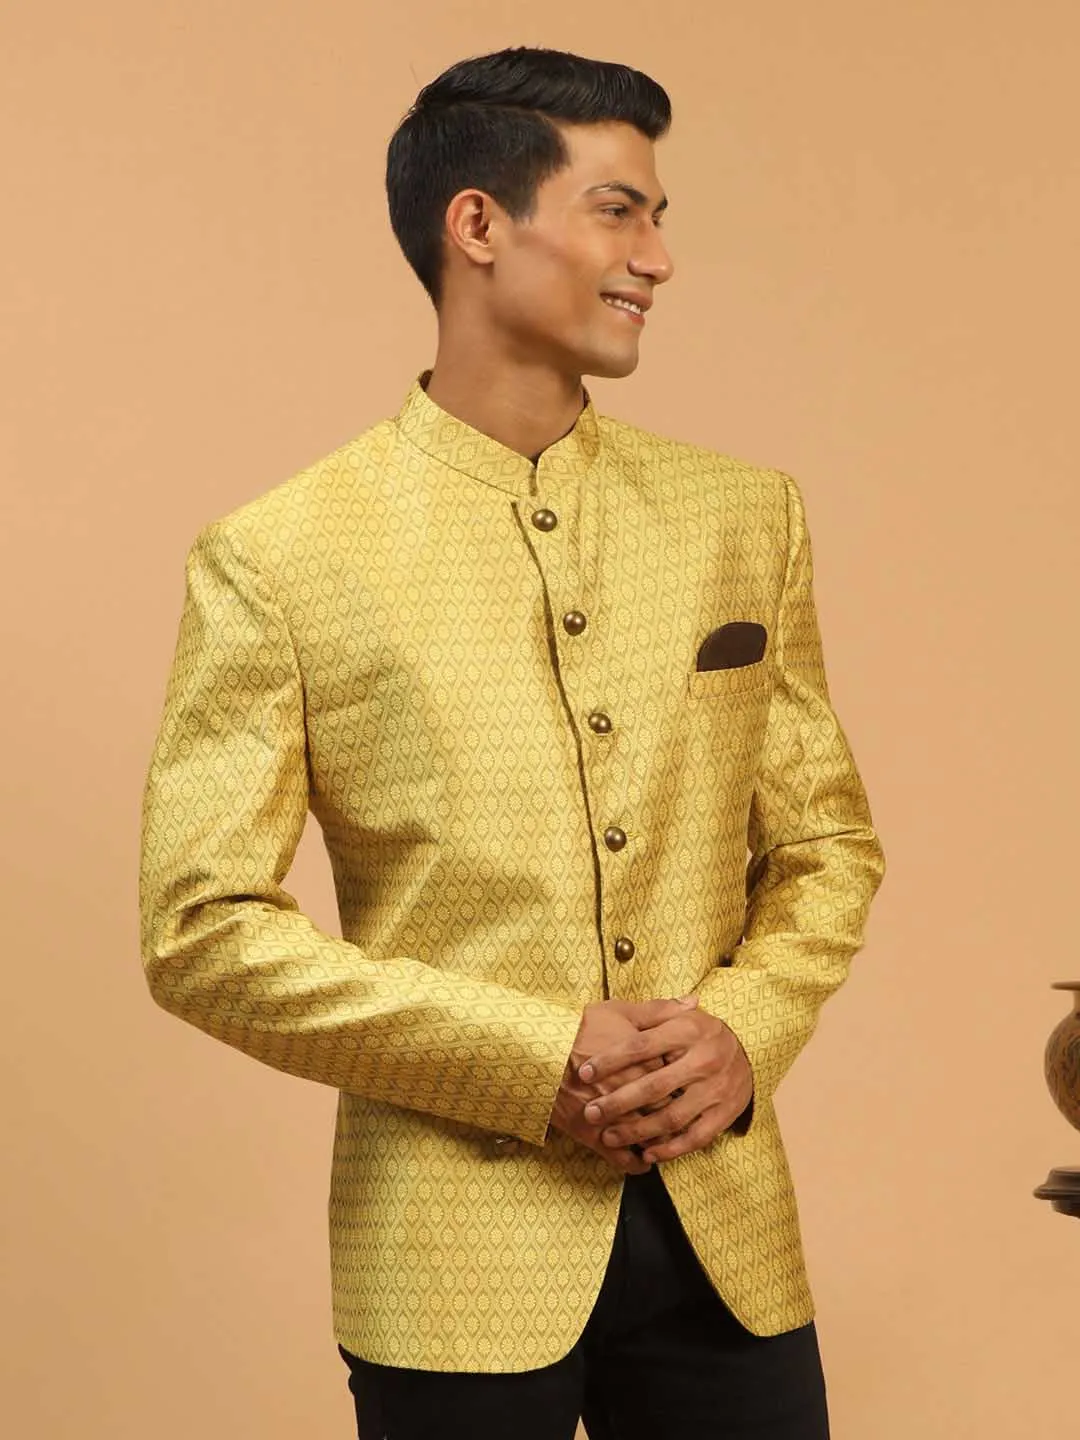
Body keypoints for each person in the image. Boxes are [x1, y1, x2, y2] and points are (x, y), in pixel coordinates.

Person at [138, 44, 885, 1440]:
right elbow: (201, 931)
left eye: (660, 215)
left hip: (728, 1239)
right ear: (477, 223)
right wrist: (534, 1055)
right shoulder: (282, 556)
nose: (657, 256)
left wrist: (744, 1031)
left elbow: (828, 844)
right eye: (618, 209)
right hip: (450, 1260)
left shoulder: (743, 517)